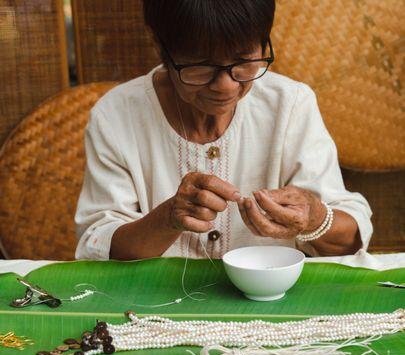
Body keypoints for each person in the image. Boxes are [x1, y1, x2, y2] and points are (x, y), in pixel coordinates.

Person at [75, 0, 372, 261]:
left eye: (243, 61)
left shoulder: (290, 104)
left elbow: (348, 238)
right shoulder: (116, 116)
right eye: (202, 66)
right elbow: (99, 244)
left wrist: (314, 219)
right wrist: (168, 218)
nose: (226, 85)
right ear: (160, 46)